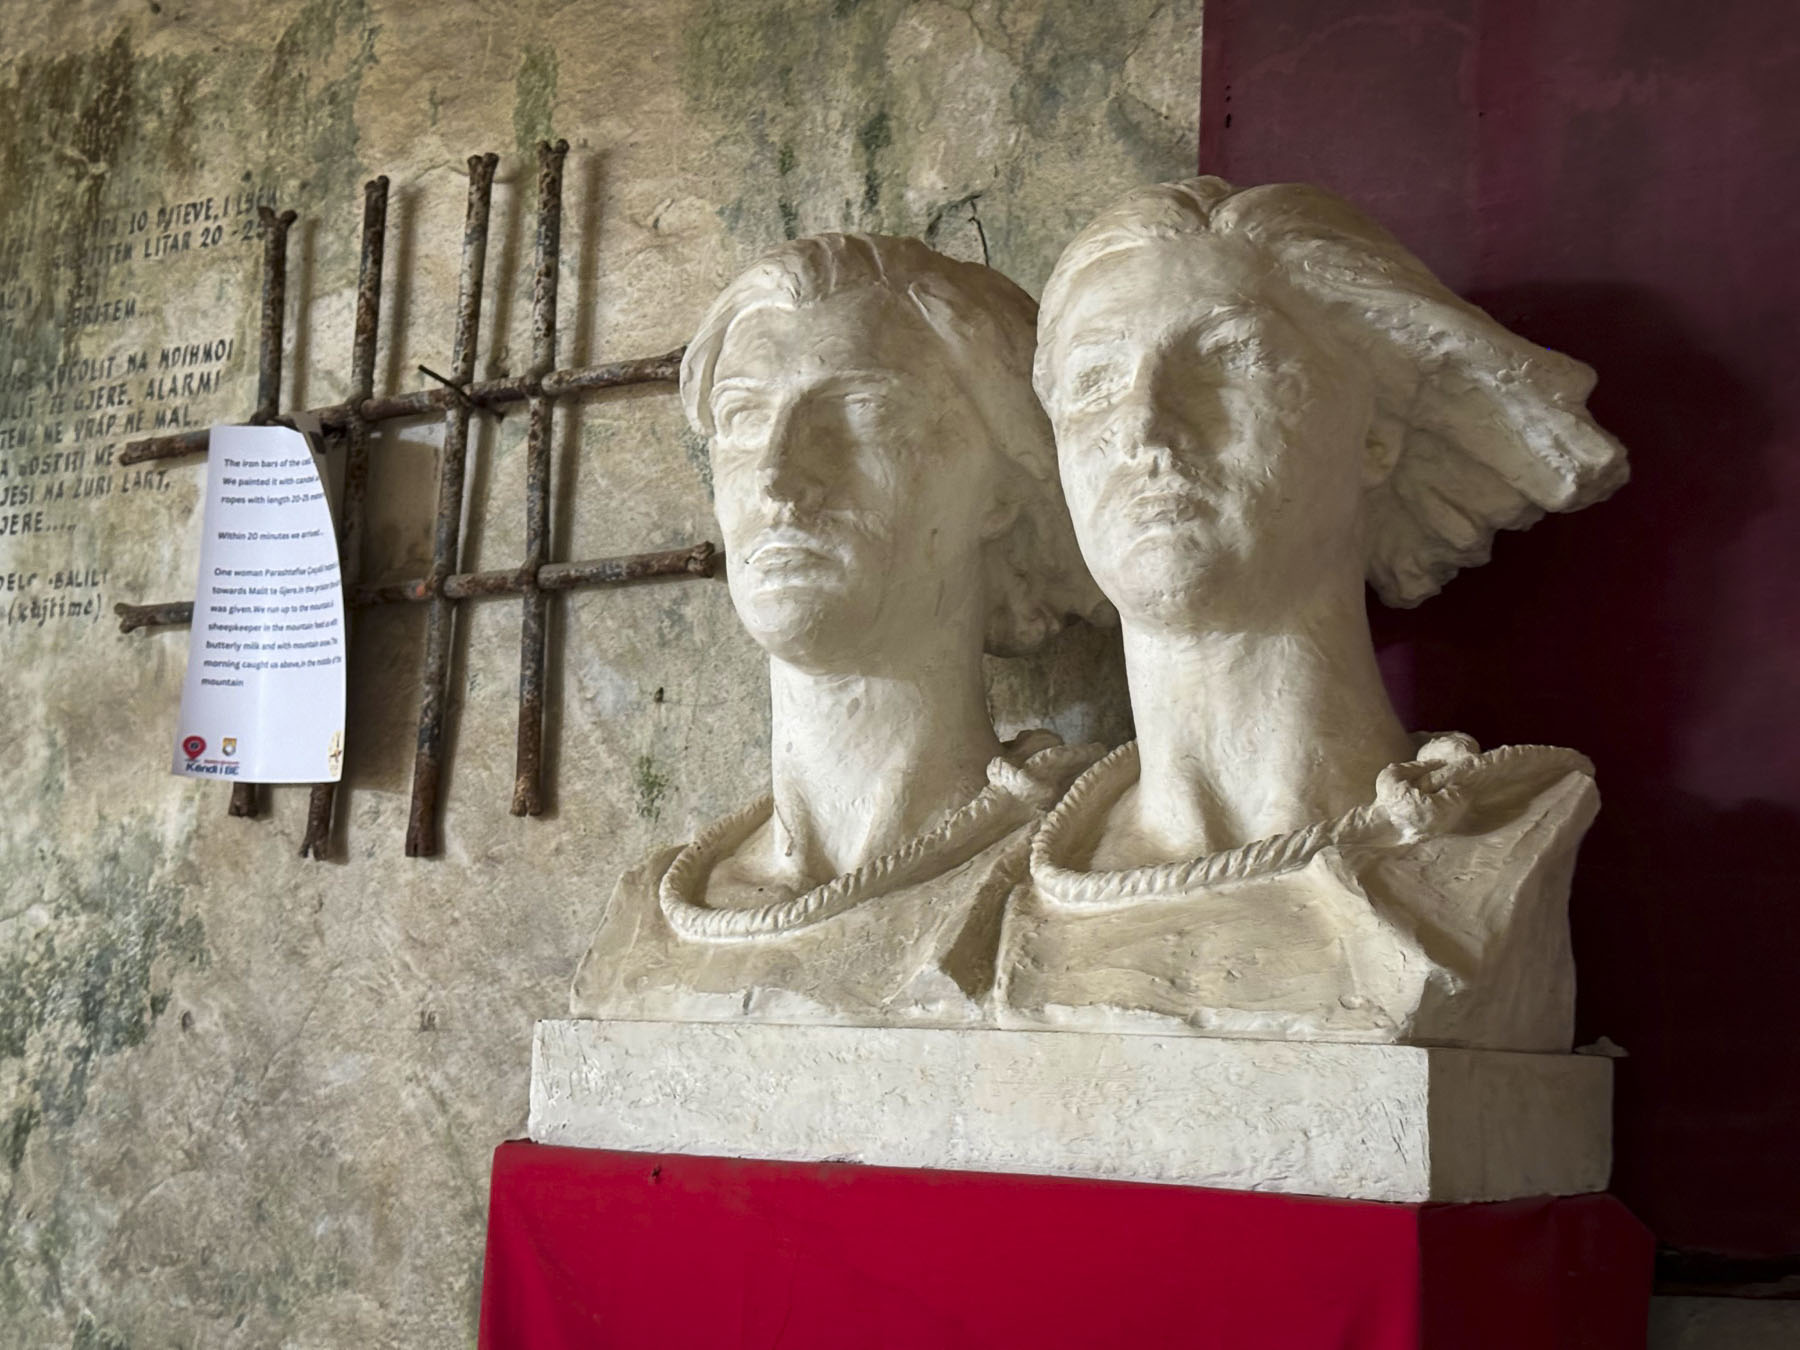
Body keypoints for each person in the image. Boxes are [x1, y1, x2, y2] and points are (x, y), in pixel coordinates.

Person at [999, 178, 1628, 1050]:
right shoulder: (1006, 876)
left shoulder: (1483, 857)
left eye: (1229, 359)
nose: (1143, 428)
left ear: (1376, 433)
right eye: (1095, 382)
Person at [572, 233, 1111, 1027]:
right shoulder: (651, 912)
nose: (779, 478)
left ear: (1000, 487)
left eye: (863, 410)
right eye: (743, 417)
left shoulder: (1083, 866)